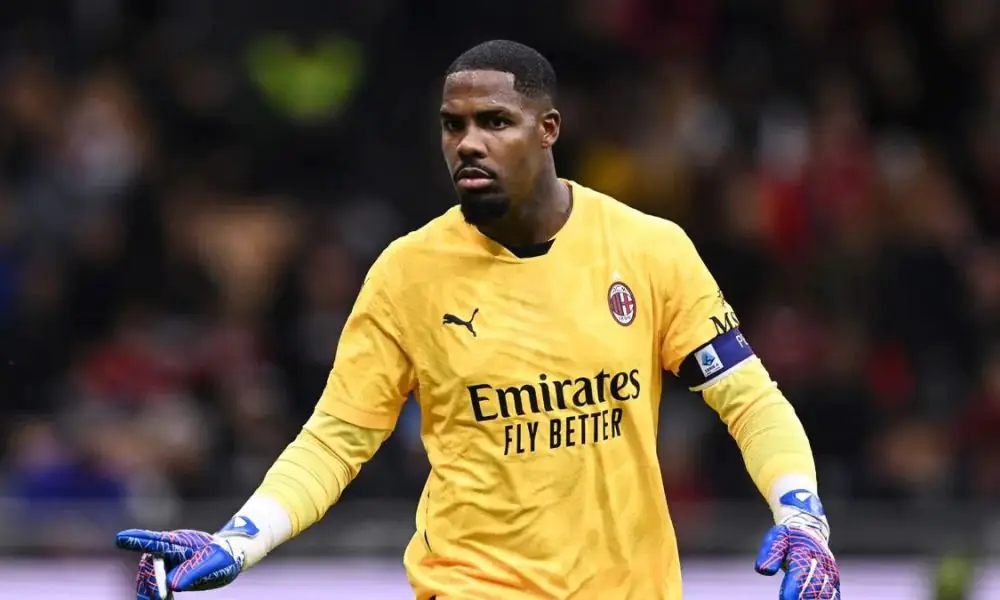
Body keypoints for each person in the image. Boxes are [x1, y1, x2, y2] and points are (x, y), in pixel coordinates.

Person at [116, 40, 841, 600]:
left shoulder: (649, 249)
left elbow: (749, 400)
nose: (468, 142)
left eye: (494, 122)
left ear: (548, 129)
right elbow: (335, 440)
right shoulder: (408, 274)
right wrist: (239, 541)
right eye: (453, 125)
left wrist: (803, 521)